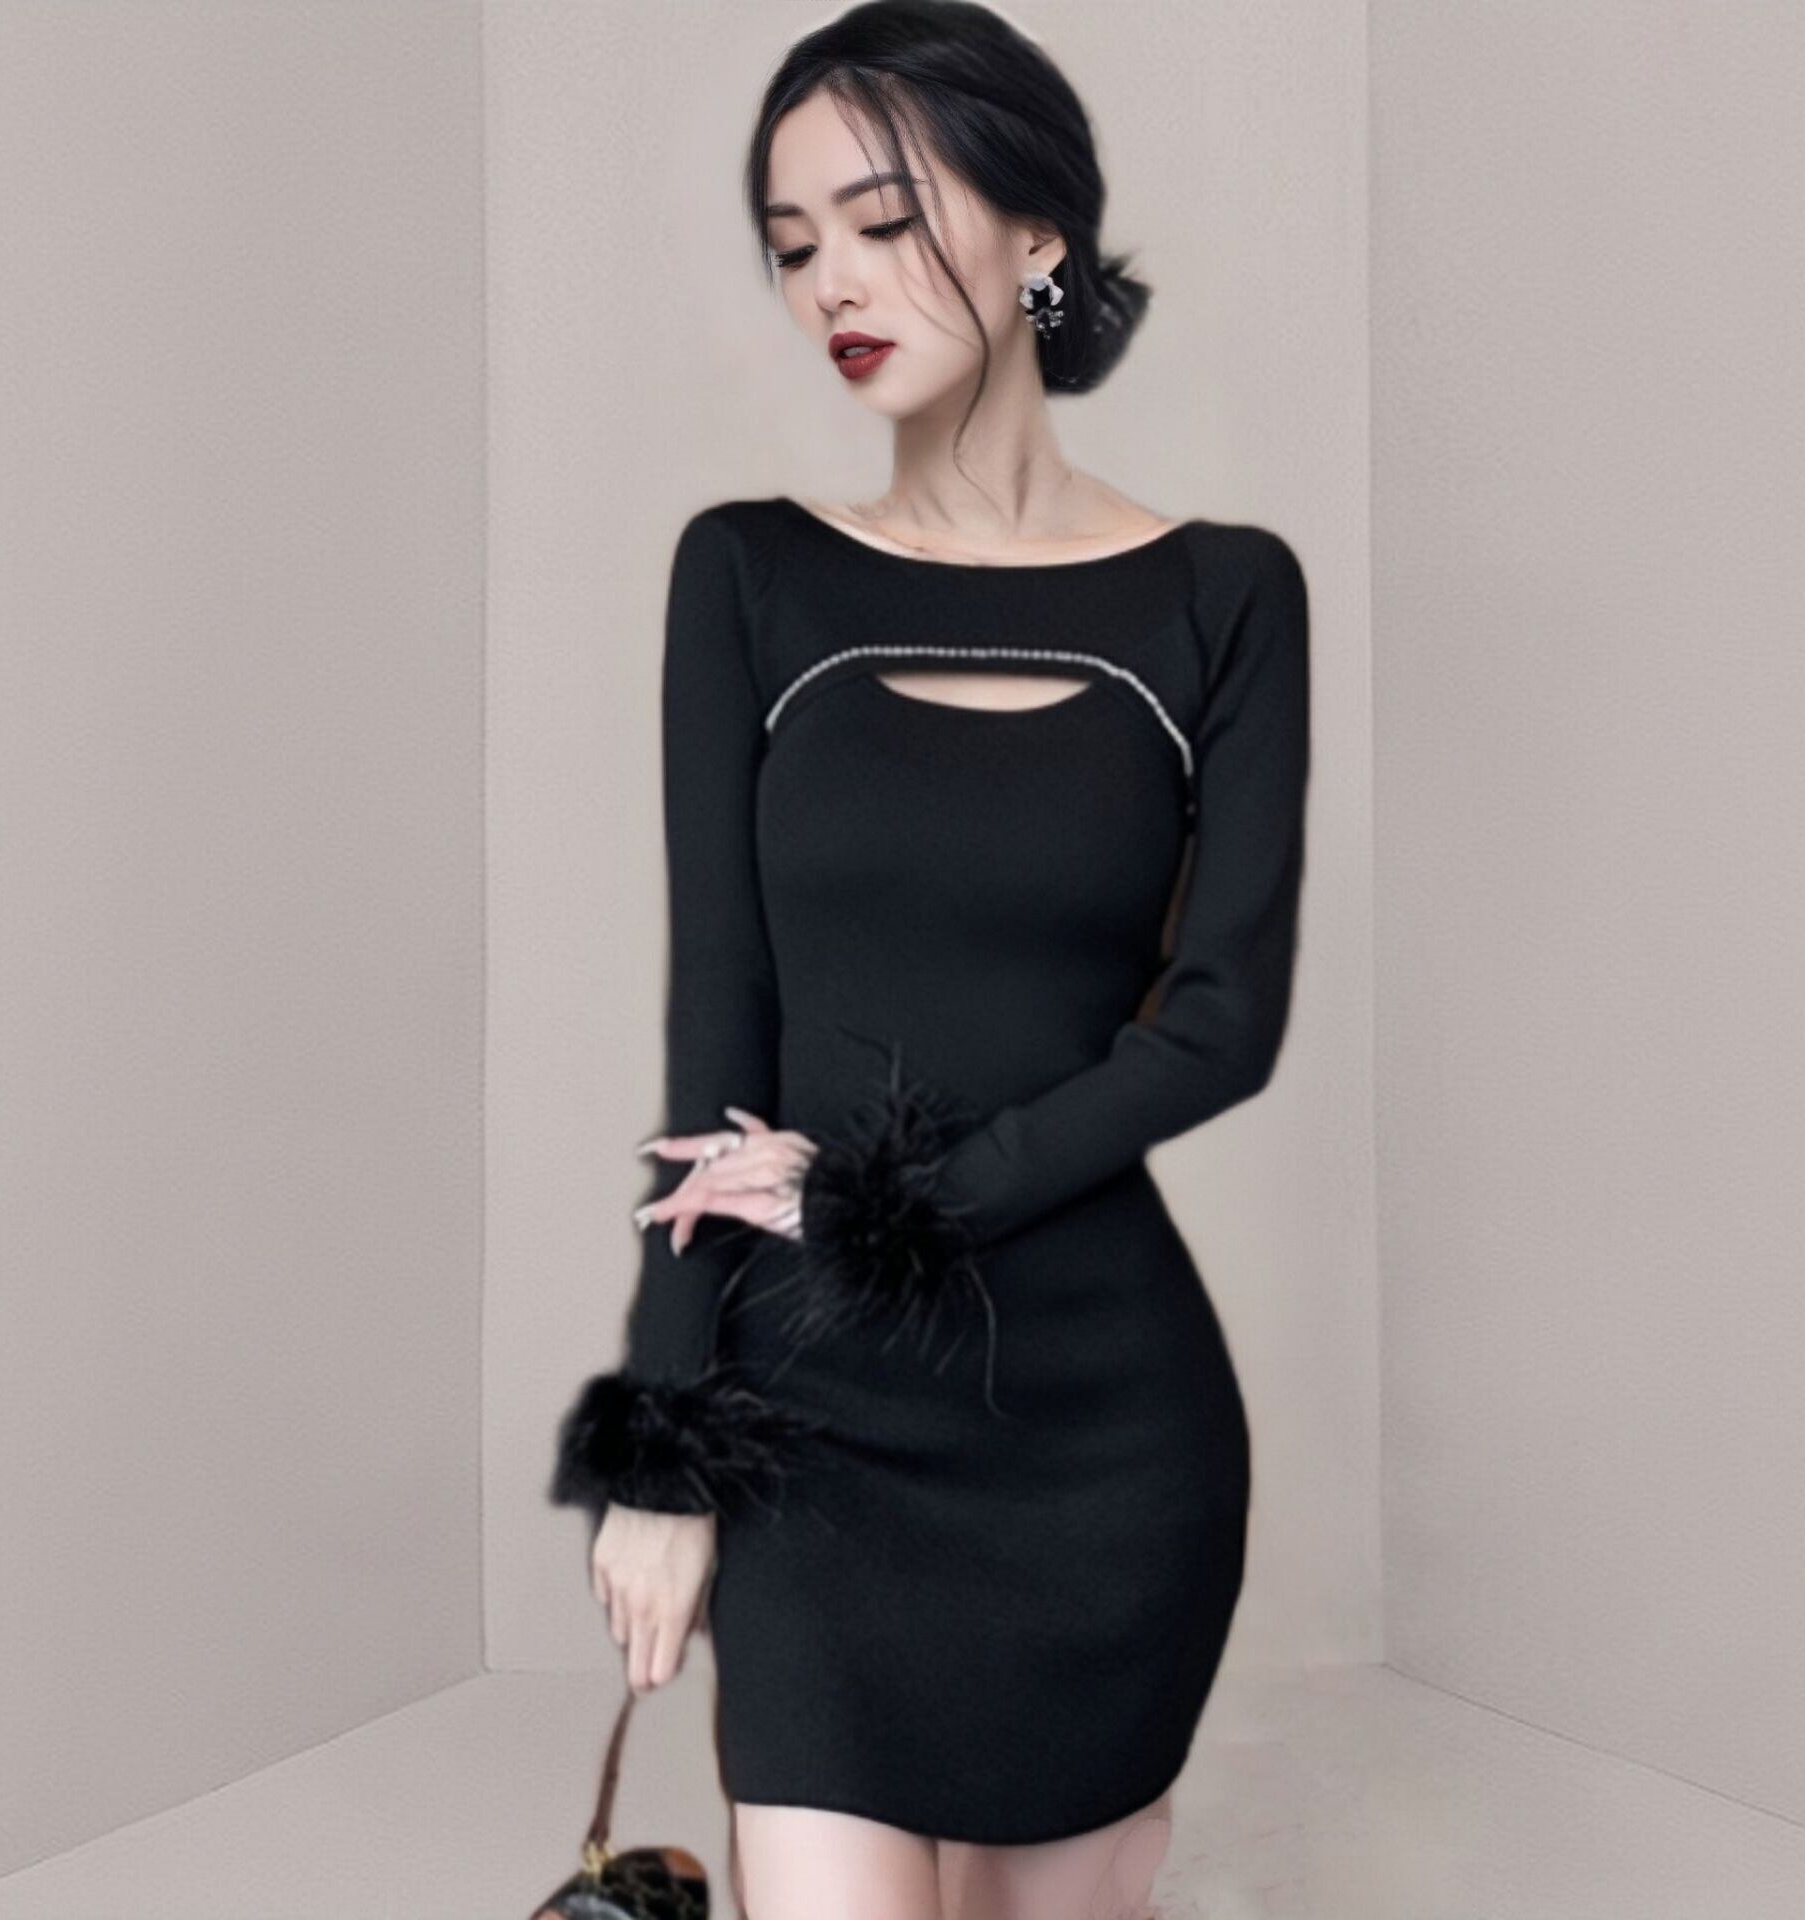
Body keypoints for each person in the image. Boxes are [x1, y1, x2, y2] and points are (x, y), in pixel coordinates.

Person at [548, 4, 1311, 1915]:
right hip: (813, 1415)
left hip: (1104, 1432)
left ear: (1038, 233)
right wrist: (664, 1445)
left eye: (882, 222)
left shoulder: (1223, 594)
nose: (833, 282)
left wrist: (882, 1202)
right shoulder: (749, 573)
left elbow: (1221, 1026)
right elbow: (717, 1024)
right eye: (793, 241)